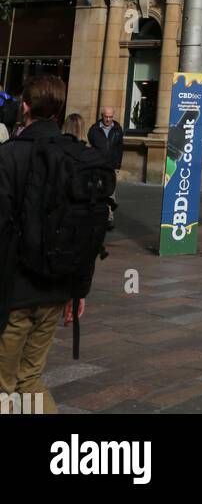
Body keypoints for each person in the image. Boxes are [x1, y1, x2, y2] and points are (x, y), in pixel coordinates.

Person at [0, 75, 113, 412]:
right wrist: (77, 291)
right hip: (55, 287)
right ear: (59, 110)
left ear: (24, 107)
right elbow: (86, 227)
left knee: (3, 385)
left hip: (11, 293)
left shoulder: (8, 156)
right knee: (29, 379)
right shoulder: (76, 157)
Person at [87, 107, 123, 229]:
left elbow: (119, 149)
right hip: (98, 165)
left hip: (111, 166)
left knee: (111, 193)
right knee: (97, 190)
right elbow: (91, 146)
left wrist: (117, 165)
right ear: (102, 116)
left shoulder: (117, 129)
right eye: (106, 117)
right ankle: (96, 216)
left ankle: (108, 218)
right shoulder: (94, 129)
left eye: (110, 117)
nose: (108, 119)